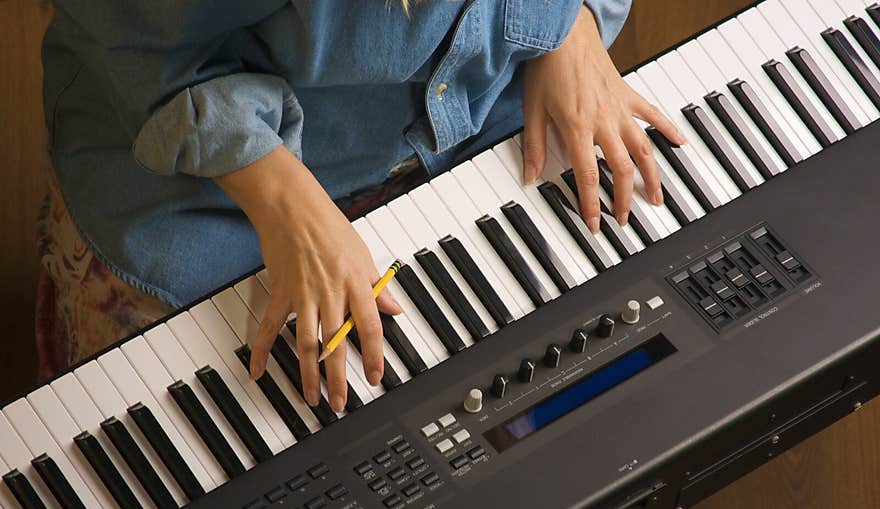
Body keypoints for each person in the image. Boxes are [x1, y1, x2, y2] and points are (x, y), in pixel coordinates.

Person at [40, 0, 684, 412]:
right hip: (206, 199)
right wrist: (283, 199)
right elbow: (142, 49)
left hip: (489, 112)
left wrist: (571, 23)